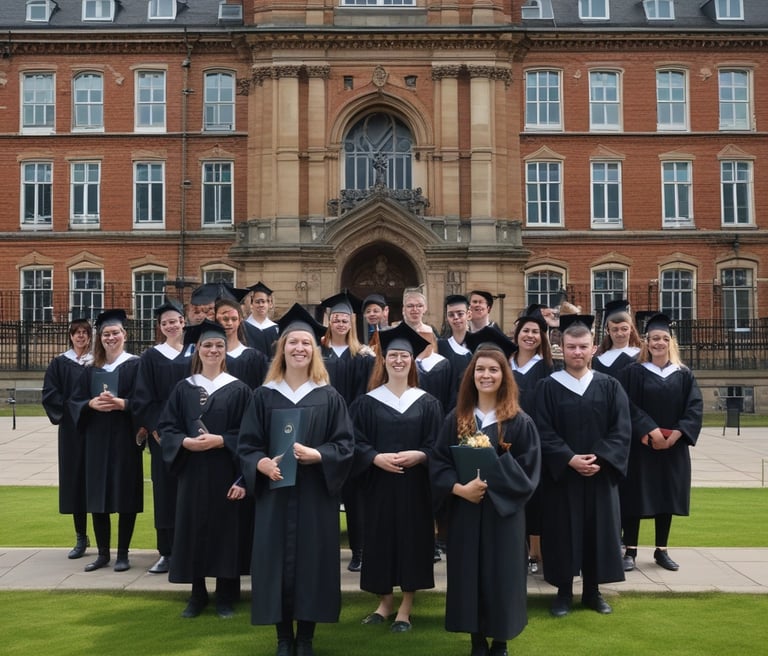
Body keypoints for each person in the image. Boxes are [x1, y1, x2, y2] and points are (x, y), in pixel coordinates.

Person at [238, 303, 355, 656]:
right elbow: (246, 445)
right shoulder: (264, 395)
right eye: (293, 343)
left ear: (314, 350)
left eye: (306, 343)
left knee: (312, 562)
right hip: (275, 494)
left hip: (315, 494)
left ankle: (305, 637)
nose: (300, 348)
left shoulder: (328, 396)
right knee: (274, 563)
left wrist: (320, 455)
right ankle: (282, 638)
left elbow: (346, 444)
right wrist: (260, 465)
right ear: (282, 349)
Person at [431, 342, 540, 656]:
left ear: (504, 376)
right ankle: (477, 641)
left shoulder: (519, 421)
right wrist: (459, 489)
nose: (486, 375)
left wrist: (493, 474)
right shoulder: (458, 418)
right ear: (471, 375)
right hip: (466, 512)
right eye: (480, 369)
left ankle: (500, 642)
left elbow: (529, 472)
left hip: (503, 517)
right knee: (469, 575)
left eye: (494, 369)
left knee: (502, 576)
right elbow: (439, 462)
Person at [533, 314, 631, 616]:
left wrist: (599, 458)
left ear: (593, 349)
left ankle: (592, 591)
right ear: (562, 347)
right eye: (572, 347)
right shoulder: (547, 387)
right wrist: (568, 458)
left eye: (583, 347)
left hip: (600, 476)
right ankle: (563, 593)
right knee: (563, 534)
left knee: (597, 534)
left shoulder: (610, 386)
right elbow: (541, 429)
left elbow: (622, 429)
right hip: (562, 478)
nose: (577, 352)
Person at [157, 319, 253, 618]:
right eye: (208, 345)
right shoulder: (183, 388)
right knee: (193, 529)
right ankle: (197, 594)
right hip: (193, 473)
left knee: (227, 532)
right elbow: (167, 427)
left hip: (226, 471)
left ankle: (225, 595)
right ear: (197, 349)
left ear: (225, 351)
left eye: (219, 346)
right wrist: (185, 443)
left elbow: (250, 434)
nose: (213, 350)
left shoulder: (239, 389)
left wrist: (222, 440)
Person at [350, 323, 442, 633]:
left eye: (404, 355)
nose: (399, 360)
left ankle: (405, 608)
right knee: (380, 541)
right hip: (379, 486)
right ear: (384, 359)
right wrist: (374, 457)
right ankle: (384, 602)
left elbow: (437, 445)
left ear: (413, 360)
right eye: (393, 355)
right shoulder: (366, 402)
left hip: (415, 488)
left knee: (413, 541)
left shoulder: (428, 402)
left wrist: (421, 456)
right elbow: (354, 441)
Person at [618, 313, 703, 573]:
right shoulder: (633, 372)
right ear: (646, 341)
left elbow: (694, 407)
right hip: (642, 447)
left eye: (664, 338)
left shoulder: (683, 374)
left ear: (670, 342)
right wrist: (649, 430)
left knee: (667, 496)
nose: (659, 343)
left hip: (673, 447)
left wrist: (678, 434)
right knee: (635, 495)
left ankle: (661, 550)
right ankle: (630, 550)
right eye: (654, 338)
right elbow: (626, 405)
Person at [69, 309, 143, 573]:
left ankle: (122, 554)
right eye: (106, 334)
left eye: (115, 333)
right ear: (100, 338)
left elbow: (145, 401)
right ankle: (102, 554)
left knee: (124, 495)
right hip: (97, 440)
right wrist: (91, 403)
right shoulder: (90, 369)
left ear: (125, 335)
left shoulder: (136, 364)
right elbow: (74, 401)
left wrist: (123, 403)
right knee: (97, 495)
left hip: (124, 437)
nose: (111, 338)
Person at [319, 291, 376, 573]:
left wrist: (349, 424)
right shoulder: (318, 354)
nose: (341, 323)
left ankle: (360, 551)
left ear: (352, 323)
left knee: (355, 496)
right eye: (336, 319)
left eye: (345, 319)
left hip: (352, 432)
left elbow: (365, 395)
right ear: (329, 321)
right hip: (323, 431)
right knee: (325, 493)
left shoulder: (363, 355)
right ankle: (323, 549)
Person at [133, 300, 189, 574]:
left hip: (191, 437)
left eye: (174, 321)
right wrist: (155, 428)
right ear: (160, 327)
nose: (170, 326)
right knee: (164, 493)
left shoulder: (196, 354)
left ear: (183, 322)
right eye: (165, 322)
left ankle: (191, 548)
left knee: (191, 492)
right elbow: (143, 398)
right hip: (162, 438)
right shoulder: (151, 357)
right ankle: (166, 552)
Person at [42, 317, 93, 559]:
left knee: (98, 483)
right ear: (70, 336)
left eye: (84, 332)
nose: (80, 336)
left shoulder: (99, 363)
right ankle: (81, 537)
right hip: (72, 432)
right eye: (76, 332)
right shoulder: (60, 364)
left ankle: (104, 544)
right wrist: (76, 410)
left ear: (90, 335)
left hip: (98, 429)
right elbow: (51, 395)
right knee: (75, 484)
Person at [510, 312, 554, 575]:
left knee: (537, 497)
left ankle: (536, 553)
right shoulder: (505, 364)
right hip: (508, 439)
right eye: (525, 331)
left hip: (537, 441)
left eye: (535, 332)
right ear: (517, 335)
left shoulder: (548, 367)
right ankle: (518, 551)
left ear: (542, 337)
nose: (529, 336)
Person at [215, 294, 269, 390]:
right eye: (225, 319)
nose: (230, 323)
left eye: (234, 319)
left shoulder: (256, 358)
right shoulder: (207, 356)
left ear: (240, 320)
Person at [437, 294, 472, 413]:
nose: (455, 318)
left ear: (469, 314)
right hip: (449, 412)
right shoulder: (440, 347)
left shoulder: (482, 346)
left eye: (460, 314)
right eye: (451, 315)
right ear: (447, 318)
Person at [592, 300, 643, 378]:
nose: (619, 333)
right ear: (608, 331)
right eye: (615, 329)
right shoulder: (599, 358)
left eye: (624, 329)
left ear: (631, 329)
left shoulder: (640, 356)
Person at [244, 281, 279, 357]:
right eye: (257, 302)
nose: (261, 305)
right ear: (251, 304)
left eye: (263, 301)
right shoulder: (243, 327)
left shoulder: (276, 329)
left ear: (269, 304)